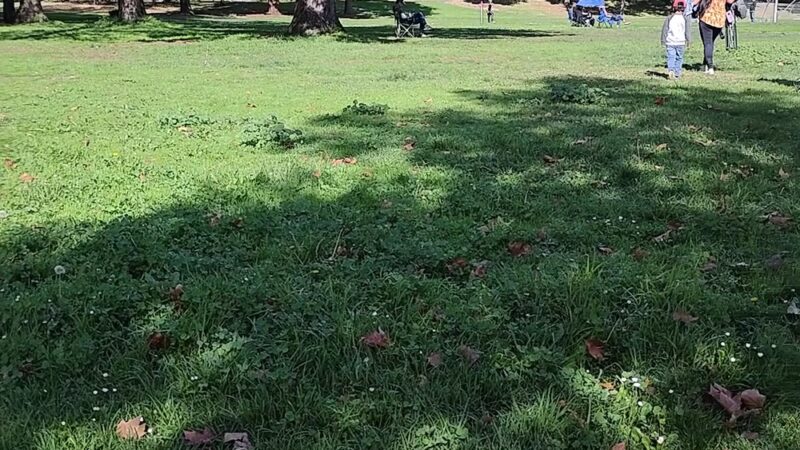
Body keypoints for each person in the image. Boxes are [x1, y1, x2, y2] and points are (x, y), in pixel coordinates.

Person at [693, 0, 735, 75]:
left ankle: (710, 66)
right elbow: (730, 1)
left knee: (707, 43)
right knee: (710, 43)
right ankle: (705, 65)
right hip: (719, 20)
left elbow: (695, 2)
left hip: (706, 18)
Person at [662, 2, 691, 79]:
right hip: (681, 42)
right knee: (679, 57)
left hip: (670, 41)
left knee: (671, 57)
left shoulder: (669, 18)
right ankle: (677, 72)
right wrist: (688, 40)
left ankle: (671, 70)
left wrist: (663, 40)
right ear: (684, 8)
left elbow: (665, 30)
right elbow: (687, 31)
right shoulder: (685, 19)